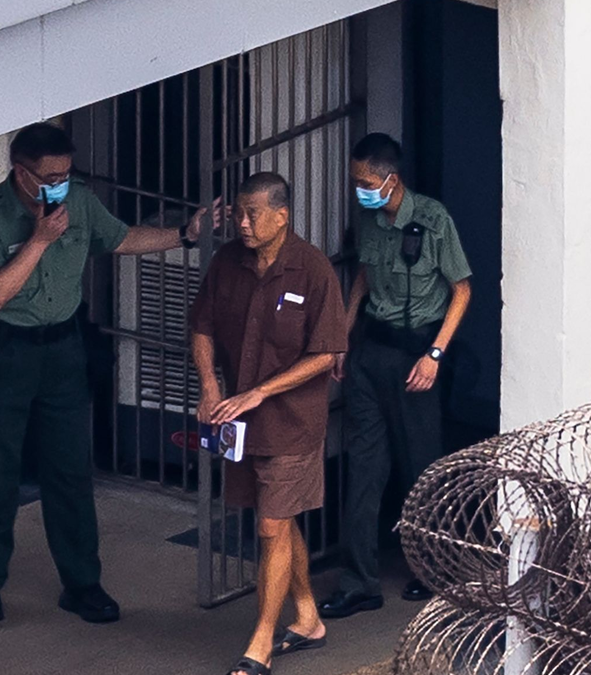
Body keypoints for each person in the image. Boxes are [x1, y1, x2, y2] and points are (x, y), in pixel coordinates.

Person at [0, 122, 219, 624]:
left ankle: (82, 583)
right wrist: (37, 241)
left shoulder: (77, 201)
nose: (60, 182)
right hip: (6, 349)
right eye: (50, 175)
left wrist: (184, 235)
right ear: (21, 172)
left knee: (71, 470)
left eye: (66, 173)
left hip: (62, 348)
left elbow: (119, 238)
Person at [190, 173, 348, 675]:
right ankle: (308, 619)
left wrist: (260, 390)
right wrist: (211, 387)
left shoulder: (313, 270)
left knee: (271, 525)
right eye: (238, 212)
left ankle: (259, 643)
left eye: (252, 213)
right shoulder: (227, 263)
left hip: (294, 421)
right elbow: (201, 325)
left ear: (282, 216)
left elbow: (327, 353)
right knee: (277, 520)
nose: (242, 222)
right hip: (241, 421)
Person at [317, 133, 473, 620]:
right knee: (364, 470)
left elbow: (462, 290)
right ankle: (358, 581)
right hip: (372, 352)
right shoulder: (369, 218)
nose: (360, 190)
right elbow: (363, 275)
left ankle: (432, 571)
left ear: (391, 179)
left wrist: (434, 355)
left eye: (366, 182)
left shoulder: (432, 219)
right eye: (356, 182)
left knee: (421, 469)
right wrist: (342, 335)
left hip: (416, 355)